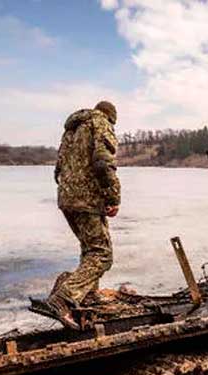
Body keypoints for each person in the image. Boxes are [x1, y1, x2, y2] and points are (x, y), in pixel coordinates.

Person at [44, 100, 121, 329]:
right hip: (87, 197)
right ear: (110, 117)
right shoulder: (100, 123)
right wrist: (113, 197)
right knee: (102, 255)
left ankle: (87, 298)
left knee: (89, 249)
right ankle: (63, 298)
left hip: (67, 197)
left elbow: (58, 168)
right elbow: (103, 163)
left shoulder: (71, 130)